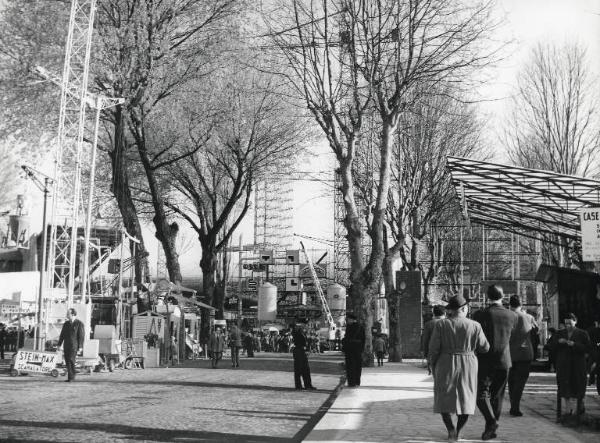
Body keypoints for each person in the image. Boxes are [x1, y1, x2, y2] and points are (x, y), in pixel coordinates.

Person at [429, 294, 489, 442]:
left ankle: (450, 430)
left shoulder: (441, 325)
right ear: (463, 309)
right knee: (466, 397)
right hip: (468, 363)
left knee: (444, 395)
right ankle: (459, 430)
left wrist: (432, 365)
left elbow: (433, 349)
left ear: (451, 310)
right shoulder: (475, 325)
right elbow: (485, 347)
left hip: (445, 362)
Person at [473, 284, 518, 441]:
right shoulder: (512, 315)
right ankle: (491, 428)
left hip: (485, 361)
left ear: (487, 297)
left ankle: (491, 423)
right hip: (504, 361)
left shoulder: (480, 315)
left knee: (481, 395)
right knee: (497, 396)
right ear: (503, 296)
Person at [551, 313, 591, 424]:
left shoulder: (583, 333)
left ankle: (579, 411)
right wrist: (559, 342)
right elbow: (551, 346)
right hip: (564, 365)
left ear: (575, 321)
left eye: (570, 323)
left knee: (578, 387)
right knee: (565, 388)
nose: (568, 325)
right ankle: (567, 411)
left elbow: (587, 348)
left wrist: (574, 344)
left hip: (578, 365)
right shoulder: (559, 333)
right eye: (566, 323)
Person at [507, 295, 534, 417]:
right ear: (521, 304)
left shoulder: (506, 316)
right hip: (525, 353)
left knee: (511, 381)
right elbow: (535, 333)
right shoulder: (529, 317)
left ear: (509, 305)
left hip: (509, 353)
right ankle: (515, 406)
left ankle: (513, 405)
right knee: (520, 381)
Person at [57, 308, 85, 382]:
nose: (66, 315)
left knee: (71, 360)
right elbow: (62, 335)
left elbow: (81, 336)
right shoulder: (66, 324)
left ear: (72, 314)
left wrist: (80, 347)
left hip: (74, 346)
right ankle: (70, 377)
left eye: (68, 314)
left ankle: (72, 377)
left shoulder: (79, 323)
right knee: (67, 361)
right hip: (66, 345)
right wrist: (59, 344)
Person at [422, 305, 447, 374]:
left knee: (435, 374)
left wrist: (426, 354)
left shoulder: (428, 324)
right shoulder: (448, 323)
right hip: (446, 353)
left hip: (432, 352)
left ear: (434, 313)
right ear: (445, 313)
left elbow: (425, 341)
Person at [342, 313, 366, 387]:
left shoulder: (349, 327)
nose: (347, 321)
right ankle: (357, 382)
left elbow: (347, 339)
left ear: (351, 319)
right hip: (358, 349)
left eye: (348, 319)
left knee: (350, 366)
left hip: (350, 349)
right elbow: (363, 339)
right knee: (358, 366)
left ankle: (351, 382)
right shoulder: (361, 327)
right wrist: (362, 349)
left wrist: (344, 344)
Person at [292, 320, 316, 390]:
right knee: (298, 369)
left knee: (306, 369)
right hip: (298, 351)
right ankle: (298, 386)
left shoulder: (303, 333)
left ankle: (308, 385)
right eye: (304, 325)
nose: (305, 326)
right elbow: (294, 328)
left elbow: (307, 342)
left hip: (302, 351)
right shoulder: (296, 332)